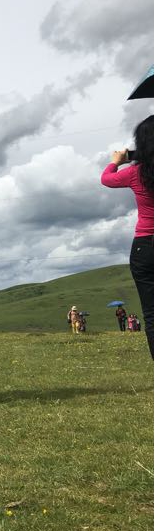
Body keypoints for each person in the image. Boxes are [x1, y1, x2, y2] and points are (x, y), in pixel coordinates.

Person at [101, 115, 154, 357]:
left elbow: (106, 179)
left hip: (145, 246)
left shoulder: (135, 173)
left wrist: (115, 162)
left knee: (152, 314)